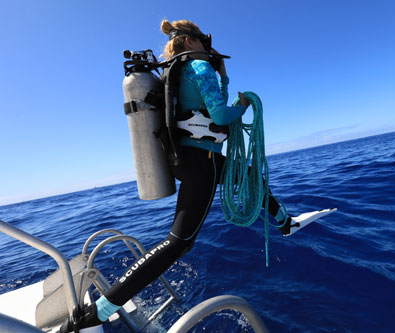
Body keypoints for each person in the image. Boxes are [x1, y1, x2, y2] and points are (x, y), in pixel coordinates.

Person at [60, 19, 292, 332]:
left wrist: (222, 79)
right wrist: (243, 103)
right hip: (203, 161)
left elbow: (203, 107)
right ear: (191, 41)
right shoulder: (199, 67)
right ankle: (98, 311)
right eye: (204, 42)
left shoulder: (176, 69)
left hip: (185, 159)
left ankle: (284, 222)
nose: (209, 48)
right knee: (178, 243)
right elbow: (221, 115)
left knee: (249, 176)